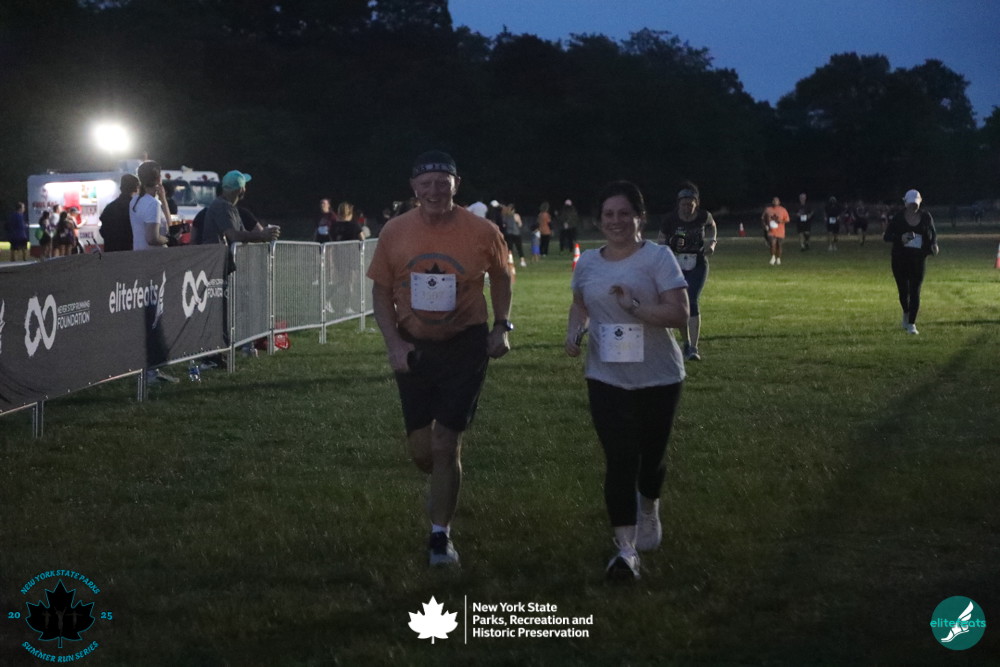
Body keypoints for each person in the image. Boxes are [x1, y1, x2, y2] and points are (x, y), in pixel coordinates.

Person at [366, 150, 512, 568]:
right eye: (426, 183)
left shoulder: (482, 231)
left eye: (442, 183)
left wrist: (501, 325)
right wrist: (394, 344)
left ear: (456, 185)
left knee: (446, 443)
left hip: (465, 344)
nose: (434, 190)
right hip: (414, 346)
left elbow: (502, 275)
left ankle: (440, 536)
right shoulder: (395, 231)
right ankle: (442, 480)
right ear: (414, 187)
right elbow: (380, 290)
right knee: (422, 452)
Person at [566, 180, 689, 581]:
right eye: (608, 214)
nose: (616, 221)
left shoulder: (658, 257)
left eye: (624, 213)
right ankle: (625, 550)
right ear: (599, 220)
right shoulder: (588, 262)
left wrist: (634, 306)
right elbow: (580, 305)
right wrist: (574, 332)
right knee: (620, 459)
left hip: (658, 376)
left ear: (640, 218)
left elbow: (679, 314)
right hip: (606, 376)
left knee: (650, 459)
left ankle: (649, 506)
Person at [656, 181, 717, 361]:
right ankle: (686, 342)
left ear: (696, 203)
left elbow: (712, 225)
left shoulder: (703, 216)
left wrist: (712, 242)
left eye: (690, 204)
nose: (687, 208)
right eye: (684, 204)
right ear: (678, 204)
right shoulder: (670, 219)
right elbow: (661, 239)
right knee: (681, 304)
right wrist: (668, 249)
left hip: (698, 262)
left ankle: (693, 348)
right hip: (676, 264)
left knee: (692, 300)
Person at [884, 189, 938, 335]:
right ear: (905, 203)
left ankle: (912, 324)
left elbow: (933, 233)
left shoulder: (926, 216)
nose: (913, 206)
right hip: (900, 258)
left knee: (915, 291)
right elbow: (887, 236)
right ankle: (906, 312)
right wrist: (900, 238)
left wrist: (934, 244)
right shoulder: (898, 217)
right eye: (911, 204)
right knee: (903, 291)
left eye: (916, 204)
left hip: (918, 259)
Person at [199, 170, 281, 245]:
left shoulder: (229, 207)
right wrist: (261, 235)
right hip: (218, 255)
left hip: (220, 255)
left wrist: (264, 236)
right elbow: (233, 236)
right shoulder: (222, 206)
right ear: (242, 190)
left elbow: (243, 235)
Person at [130, 160, 173, 251]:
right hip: (154, 255)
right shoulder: (153, 203)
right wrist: (169, 240)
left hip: (138, 252)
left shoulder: (134, 200)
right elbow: (152, 238)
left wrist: (163, 199)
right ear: (158, 179)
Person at [99, 173, 140, 252]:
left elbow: (103, 231)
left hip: (111, 251)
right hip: (130, 251)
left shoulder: (109, 207)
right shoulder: (135, 207)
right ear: (135, 188)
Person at [761, 197, 789, 265]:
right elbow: (762, 218)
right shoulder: (768, 209)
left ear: (779, 202)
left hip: (780, 231)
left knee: (779, 245)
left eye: (776, 201)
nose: (775, 202)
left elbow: (787, 219)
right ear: (772, 202)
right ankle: (773, 257)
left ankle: (778, 258)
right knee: (772, 244)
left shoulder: (783, 210)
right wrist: (765, 225)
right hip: (771, 231)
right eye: (774, 201)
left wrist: (781, 221)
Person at [501, 203, 526, 267]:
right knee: (519, 248)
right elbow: (520, 224)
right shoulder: (516, 215)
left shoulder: (505, 216)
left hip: (508, 233)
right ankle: (522, 261)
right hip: (516, 233)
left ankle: (510, 261)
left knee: (509, 248)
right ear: (513, 209)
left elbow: (504, 225)